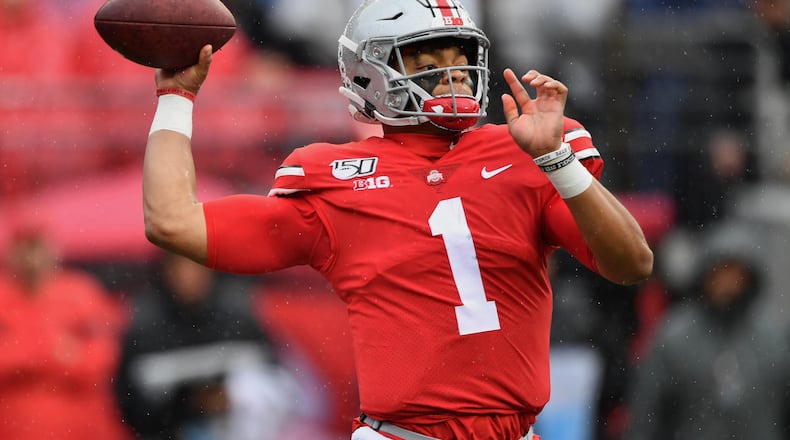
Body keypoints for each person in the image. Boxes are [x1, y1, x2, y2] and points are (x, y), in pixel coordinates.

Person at [140, 0, 653, 438]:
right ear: (370, 71)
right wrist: (176, 98)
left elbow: (632, 263)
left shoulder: (526, 151)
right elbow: (172, 221)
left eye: (460, 55)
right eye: (426, 57)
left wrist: (558, 162)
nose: (452, 71)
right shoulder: (333, 177)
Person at [623, 221, 790, 439]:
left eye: (736, 273)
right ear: (705, 274)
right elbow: (647, 414)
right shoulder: (675, 336)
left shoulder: (774, 337)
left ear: (750, 278)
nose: (727, 282)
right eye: (720, 272)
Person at [114, 251, 300, 440]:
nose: (189, 276)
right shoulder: (144, 327)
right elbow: (131, 407)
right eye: (180, 267)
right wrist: (189, 404)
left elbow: (280, 386)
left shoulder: (239, 318)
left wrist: (234, 396)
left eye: (197, 267)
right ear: (165, 271)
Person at [0, 221, 132, 439]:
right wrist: (51, 352)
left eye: (37, 246)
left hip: (84, 428)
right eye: (23, 247)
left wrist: (22, 357)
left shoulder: (80, 291)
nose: (31, 258)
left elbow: (101, 361)